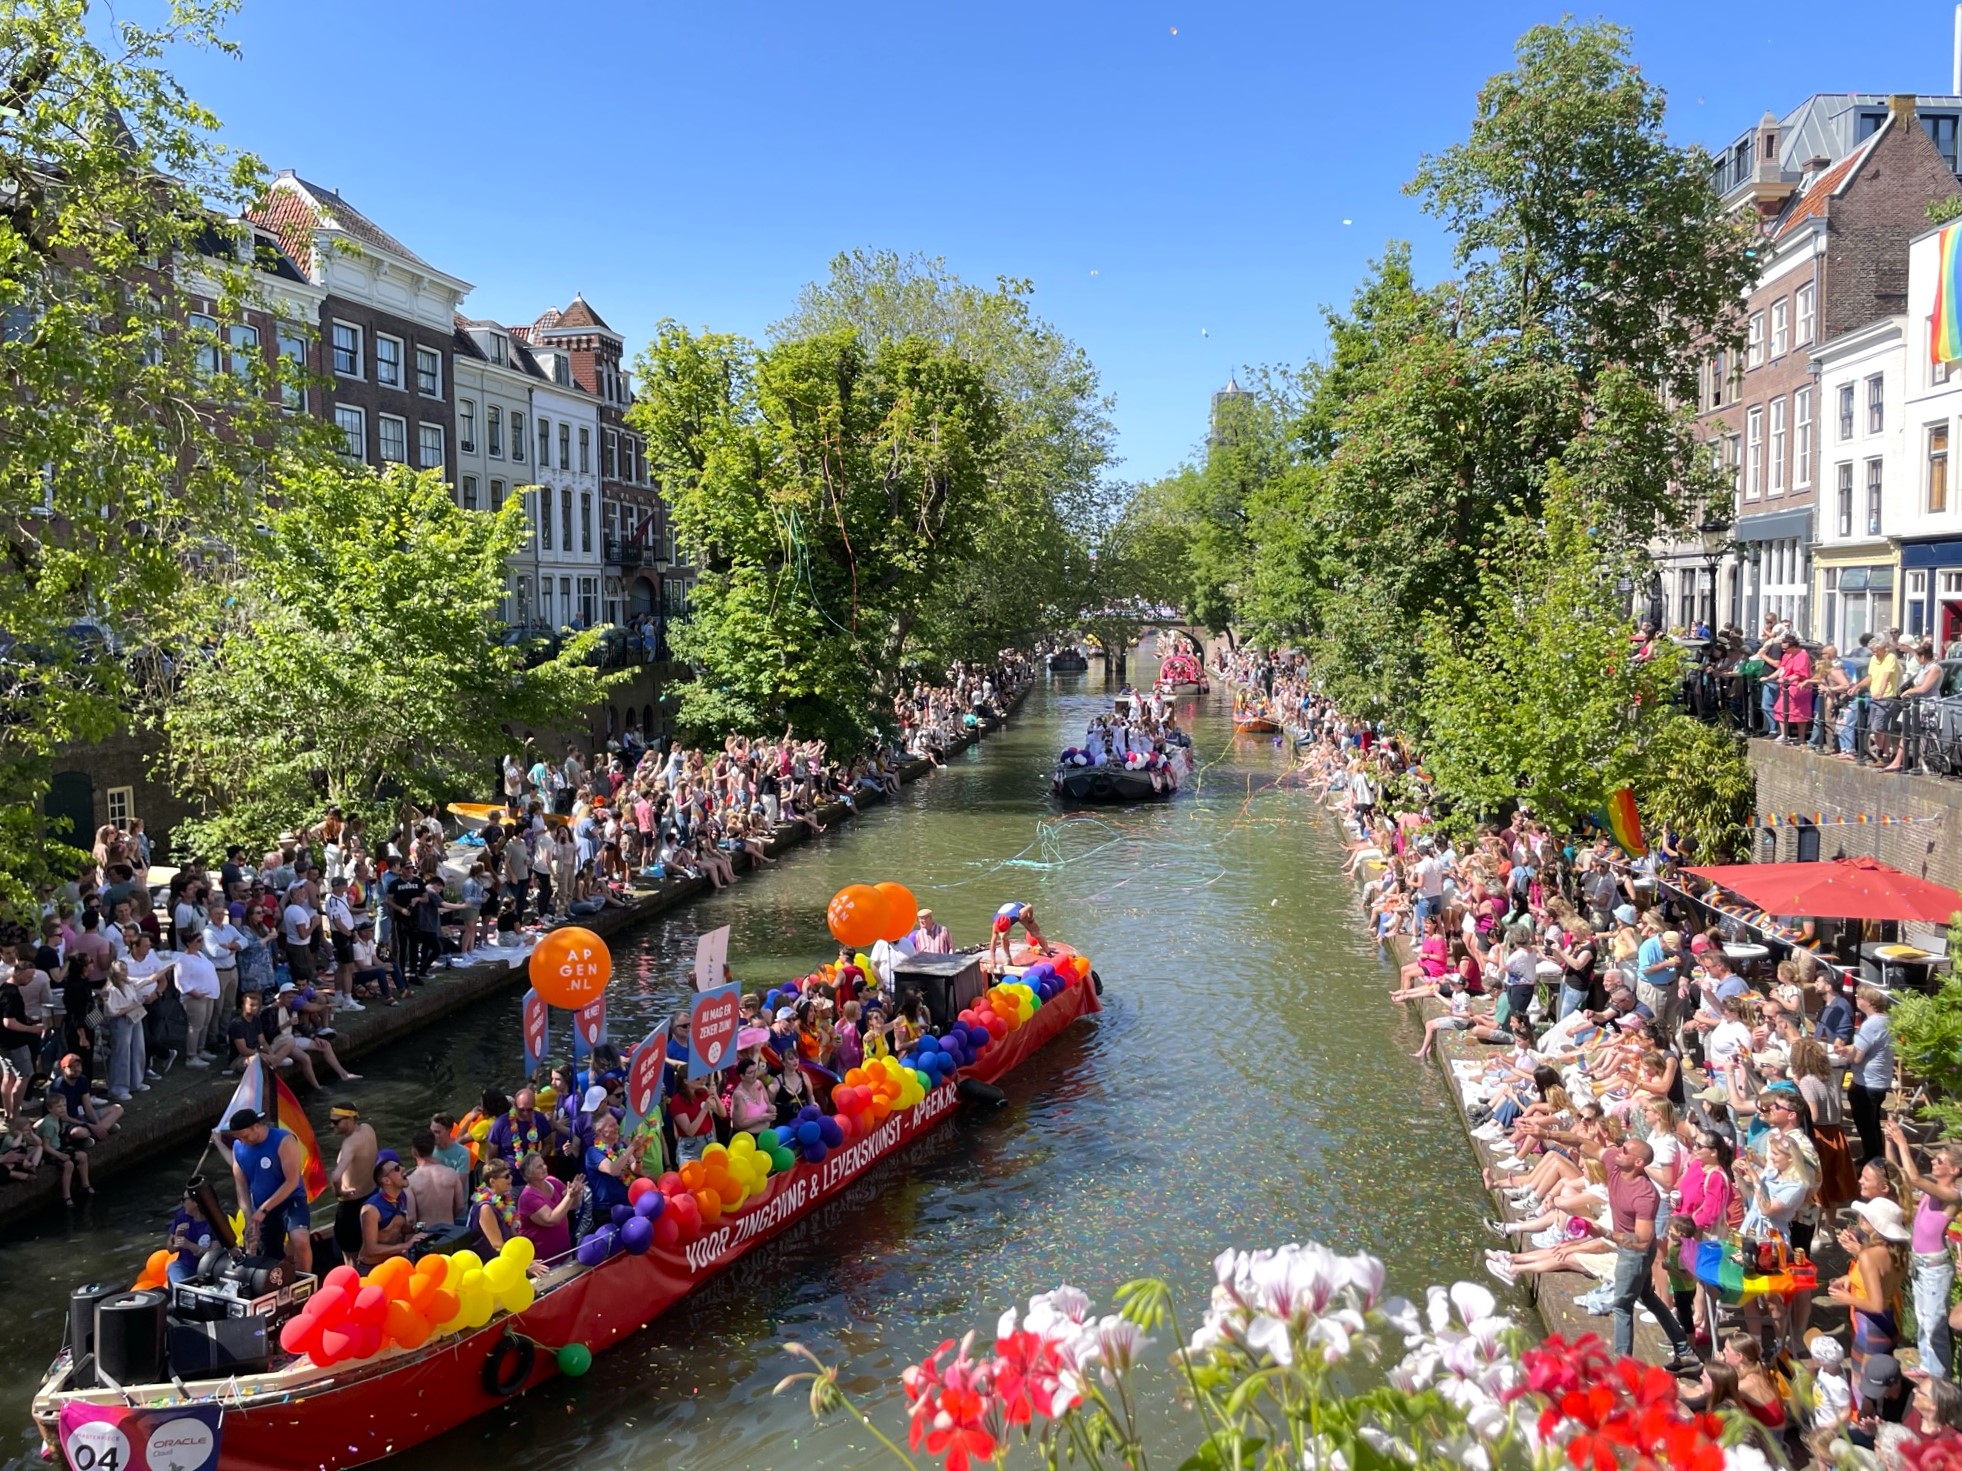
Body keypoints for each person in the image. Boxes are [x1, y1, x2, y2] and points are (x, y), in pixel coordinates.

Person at [1602, 1138, 1697, 1371]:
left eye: (1624, 1150)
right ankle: (1684, 1349)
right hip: (1638, 1249)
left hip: (1635, 1253)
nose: (1618, 1151)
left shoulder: (1645, 1194)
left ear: (1638, 1161)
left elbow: (1642, 1242)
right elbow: (1585, 1144)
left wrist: (1603, 1232)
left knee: (1622, 1306)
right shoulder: (1617, 1168)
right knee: (1648, 1296)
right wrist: (1549, 1134)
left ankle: (1623, 1367)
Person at [1883, 1120, 1960, 1380]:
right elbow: (1899, 1174)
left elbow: (1913, 1177)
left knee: (1934, 1324)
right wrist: (1890, 1141)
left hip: (1935, 1267)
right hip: (1920, 1263)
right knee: (1922, 1317)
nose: (1934, 1163)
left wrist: (1904, 1141)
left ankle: (1940, 1379)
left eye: (1939, 1160)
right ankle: (1929, 1368)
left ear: (1955, 1169)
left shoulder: (1952, 1195)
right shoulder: (1931, 1188)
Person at [227, 1107, 313, 1270]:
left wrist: (263, 1210)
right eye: (239, 1138)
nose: (242, 1141)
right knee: (268, 1254)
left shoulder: (283, 1140)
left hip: (290, 1198)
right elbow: (241, 1185)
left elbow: (292, 1181)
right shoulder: (238, 1147)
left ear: (255, 1127)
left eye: (245, 1136)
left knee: (300, 1239)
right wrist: (248, 1216)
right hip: (260, 1205)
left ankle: (306, 1280)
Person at [1843, 986, 1895, 1164]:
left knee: (1865, 1124)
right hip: (1881, 1079)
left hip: (1867, 1081)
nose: (1857, 997)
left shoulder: (1870, 1024)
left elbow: (1857, 1057)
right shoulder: (1887, 1021)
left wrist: (1844, 1053)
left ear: (1869, 1001)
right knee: (1872, 1123)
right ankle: (1875, 1155)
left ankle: (1873, 1159)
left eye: (1860, 996)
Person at [329, 1103, 379, 1260]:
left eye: (336, 1122)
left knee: (350, 1257)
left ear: (350, 1119)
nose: (332, 1126)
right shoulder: (368, 1129)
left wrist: (339, 1192)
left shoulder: (350, 1143)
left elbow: (336, 1176)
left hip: (351, 1205)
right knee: (370, 1250)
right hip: (372, 1197)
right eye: (330, 1121)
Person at [357, 1159, 428, 1267]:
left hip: (395, 1262)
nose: (403, 1169)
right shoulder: (371, 1209)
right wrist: (405, 1245)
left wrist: (418, 1227)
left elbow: (399, 1227)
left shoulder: (400, 1199)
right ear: (386, 1180)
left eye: (400, 1165)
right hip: (373, 1267)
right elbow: (371, 1249)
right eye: (396, 1169)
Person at [516, 1150, 584, 1262]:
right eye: (539, 1166)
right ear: (528, 1174)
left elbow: (571, 1206)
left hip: (564, 1253)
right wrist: (569, 1196)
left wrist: (575, 1194)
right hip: (544, 1261)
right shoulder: (528, 1197)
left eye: (543, 1164)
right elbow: (551, 1220)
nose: (544, 1167)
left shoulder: (552, 1181)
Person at [404, 1128, 467, 1227]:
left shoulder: (410, 1181)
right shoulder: (451, 1173)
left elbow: (411, 1218)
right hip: (449, 1232)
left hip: (426, 1233)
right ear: (433, 1148)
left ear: (414, 1151)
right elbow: (460, 1206)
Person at [466, 1158, 521, 1256]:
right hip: (489, 1263)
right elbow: (497, 1245)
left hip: (504, 1256)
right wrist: (524, 1263)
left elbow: (513, 1232)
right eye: (506, 1176)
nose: (510, 1178)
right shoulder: (486, 1207)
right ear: (492, 1182)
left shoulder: (504, 1197)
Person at [165, 1190, 216, 1286]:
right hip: (186, 1268)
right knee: (173, 1267)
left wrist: (189, 1245)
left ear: (195, 1202)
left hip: (207, 1272)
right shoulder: (182, 1216)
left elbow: (215, 1256)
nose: (181, 1203)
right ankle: (182, 1291)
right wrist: (177, 1237)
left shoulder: (214, 1221)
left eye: (184, 1199)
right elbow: (170, 1249)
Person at [985, 901, 1048, 973]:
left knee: (1035, 933)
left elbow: (1029, 906)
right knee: (1003, 937)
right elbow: (993, 942)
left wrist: (1030, 919)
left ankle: (1048, 952)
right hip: (1005, 914)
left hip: (1020, 907)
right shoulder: (996, 923)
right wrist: (993, 961)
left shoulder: (1019, 914)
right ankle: (1008, 959)